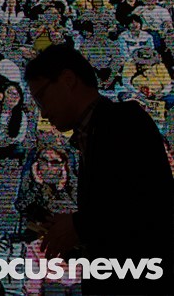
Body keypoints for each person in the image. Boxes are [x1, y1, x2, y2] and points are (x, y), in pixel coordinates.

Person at [25, 44, 173, 295]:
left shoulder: (125, 121)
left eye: (42, 97)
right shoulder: (93, 134)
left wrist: (80, 226)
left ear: (68, 79)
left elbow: (147, 205)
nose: (44, 112)